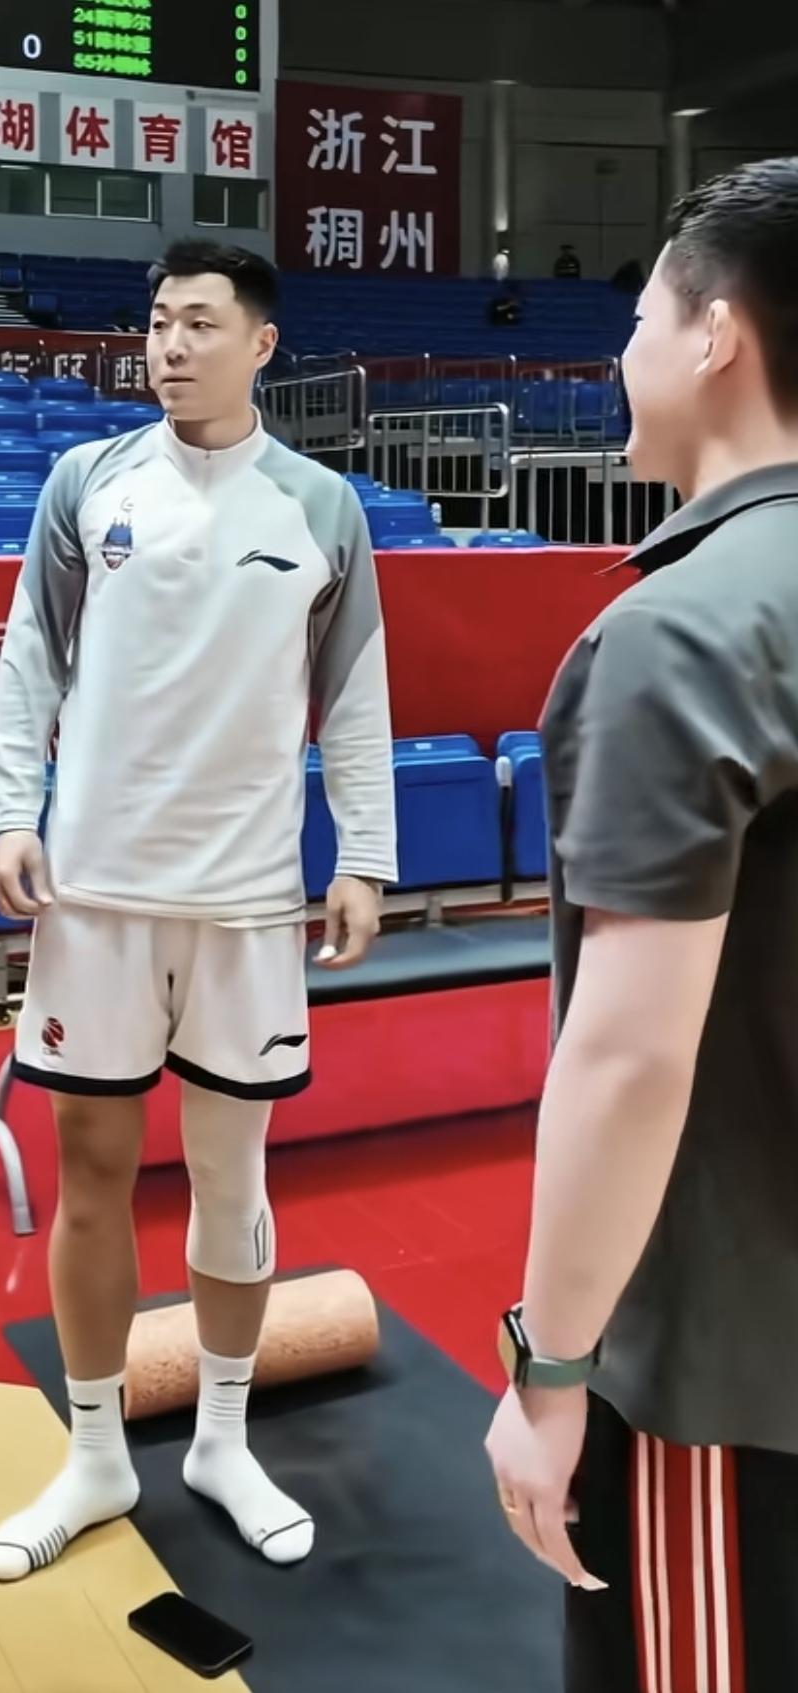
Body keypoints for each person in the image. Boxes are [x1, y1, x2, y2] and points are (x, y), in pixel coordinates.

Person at [0, 240, 396, 1581]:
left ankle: (222, 1439)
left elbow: (357, 693)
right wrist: (9, 813)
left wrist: (366, 853)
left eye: (200, 323)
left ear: (261, 344)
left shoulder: (323, 506)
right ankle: (97, 1453)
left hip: (246, 904)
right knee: (92, 1177)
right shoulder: (85, 482)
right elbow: (30, 659)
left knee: (232, 1179)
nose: (168, 345)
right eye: (158, 321)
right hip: (95, 895)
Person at [485, 156, 798, 1691]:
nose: (622, 354)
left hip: (728, 1375)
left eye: (640, 318)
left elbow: (627, 1056)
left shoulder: (682, 632)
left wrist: (548, 1367)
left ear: (715, 333)